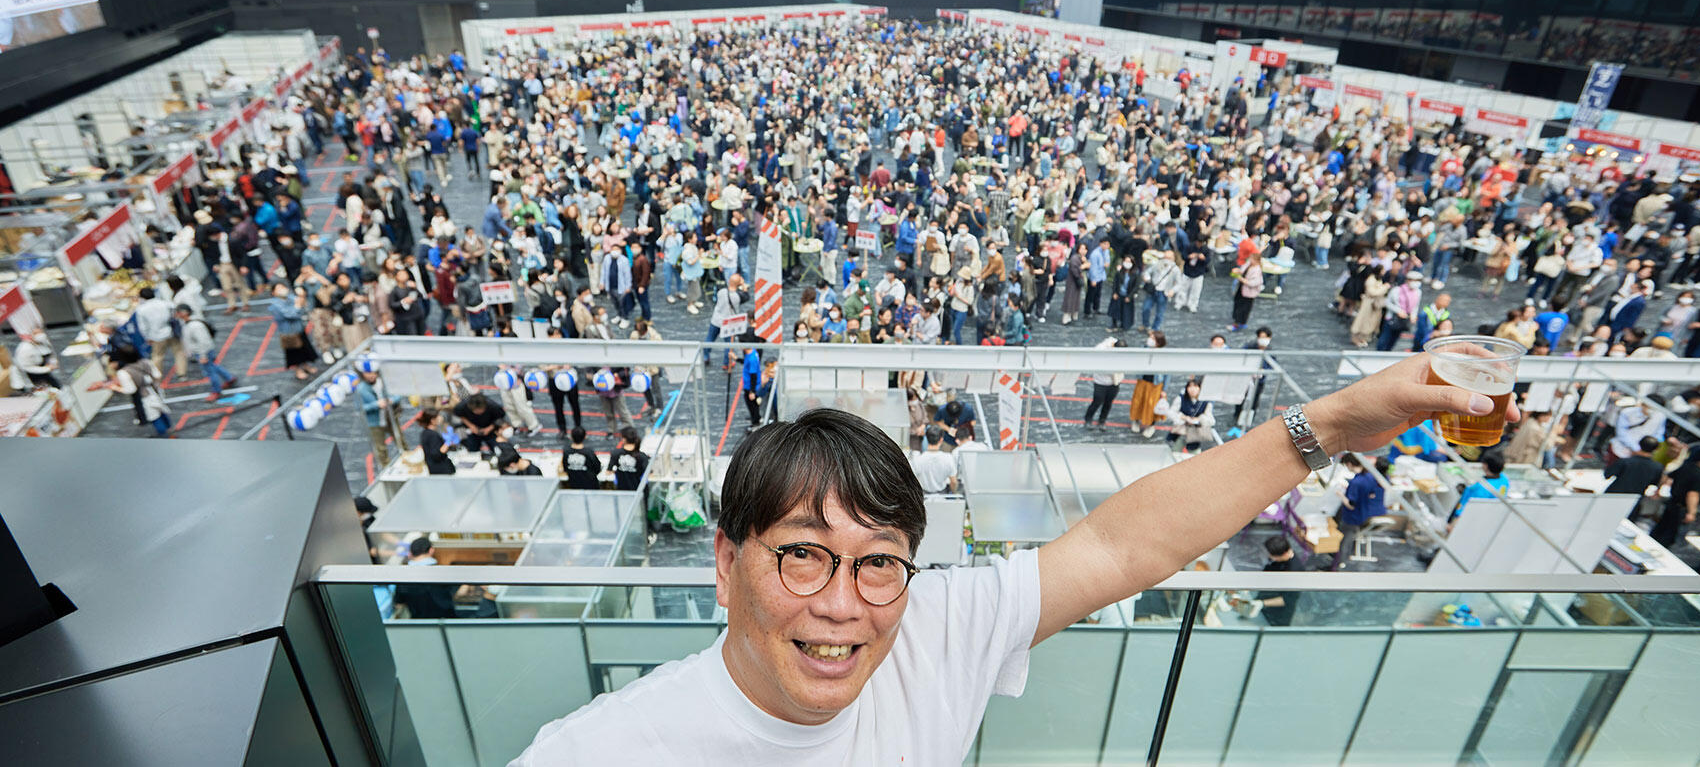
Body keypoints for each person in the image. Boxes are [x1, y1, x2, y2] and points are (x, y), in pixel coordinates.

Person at [513, 351, 1516, 764]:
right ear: (726, 565)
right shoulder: (601, 753)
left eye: (878, 563)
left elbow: (1125, 541)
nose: (843, 605)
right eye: (804, 557)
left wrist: (1335, 422)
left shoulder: (930, 631)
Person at [1649, 446, 1700, 549]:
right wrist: (1691, 512)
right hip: (1681, 508)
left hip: (1672, 502)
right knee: (1670, 535)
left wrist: (1658, 490)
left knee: (1659, 529)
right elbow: (1693, 494)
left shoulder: (1688, 466)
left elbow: (1668, 476)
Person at [1332, 454, 1386, 570]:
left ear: (1349, 464)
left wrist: (1341, 495)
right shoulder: (1370, 476)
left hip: (1353, 517)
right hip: (1365, 513)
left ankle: (1340, 562)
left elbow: (1351, 505)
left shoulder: (1357, 483)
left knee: (1345, 539)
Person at [1233, 534, 1300, 626]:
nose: (1270, 557)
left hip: (1279, 614)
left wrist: (1262, 603)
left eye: (1273, 556)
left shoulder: (1296, 572)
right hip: (1265, 599)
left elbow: (1288, 600)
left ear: (1284, 554)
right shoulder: (1277, 557)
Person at [270, 282, 321, 380]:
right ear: (273, 292)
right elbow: (289, 315)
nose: (282, 290)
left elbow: (302, 306)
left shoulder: (290, 297)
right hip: (289, 333)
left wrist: (301, 298)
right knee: (294, 353)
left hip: (299, 329)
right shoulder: (275, 305)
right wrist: (297, 306)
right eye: (278, 288)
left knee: (304, 349)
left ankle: (306, 365)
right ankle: (298, 370)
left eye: (283, 287)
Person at [1452, 451, 1510, 520]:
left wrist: (1453, 524)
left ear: (1486, 466)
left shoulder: (1482, 488)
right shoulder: (1504, 479)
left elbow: (1470, 509)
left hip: (1465, 519)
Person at [356, 370, 394, 468]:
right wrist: (376, 405)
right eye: (367, 372)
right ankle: (386, 468)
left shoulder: (384, 382)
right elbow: (360, 408)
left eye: (372, 372)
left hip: (390, 417)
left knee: (399, 440)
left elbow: (397, 394)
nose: (371, 375)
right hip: (375, 422)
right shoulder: (360, 389)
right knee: (380, 448)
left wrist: (391, 400)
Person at [1082, 336, 1123, 428]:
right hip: (1101, 382)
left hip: (1114, 382)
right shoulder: (1102, 350)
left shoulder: (1119, 351)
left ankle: (1102, 420)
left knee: (1108, 403)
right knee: (1097, 402)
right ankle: (1088, 418)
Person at [910, 426, 958, 493]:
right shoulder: (948, 458)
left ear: (926, 438)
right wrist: (954, 493)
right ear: (941, 440)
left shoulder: (917, 459)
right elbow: (953, 481)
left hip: (924, 496)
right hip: (943, 495)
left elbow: (912, 481)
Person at [607, 425, 650, 492]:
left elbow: (608, 472)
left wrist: (618, 472)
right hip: (637, 491)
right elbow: (649, 472)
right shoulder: (642, 456)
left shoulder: (616, 453)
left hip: (622, 491)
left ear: (623, 439)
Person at [417, 411, 457, 475]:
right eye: (438, 417)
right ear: (433, 420)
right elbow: (437, 453)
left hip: (433, 468)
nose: (440, 418)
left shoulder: (424, 433)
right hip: (442, 470)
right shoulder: (433, 435)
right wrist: (448, 442)